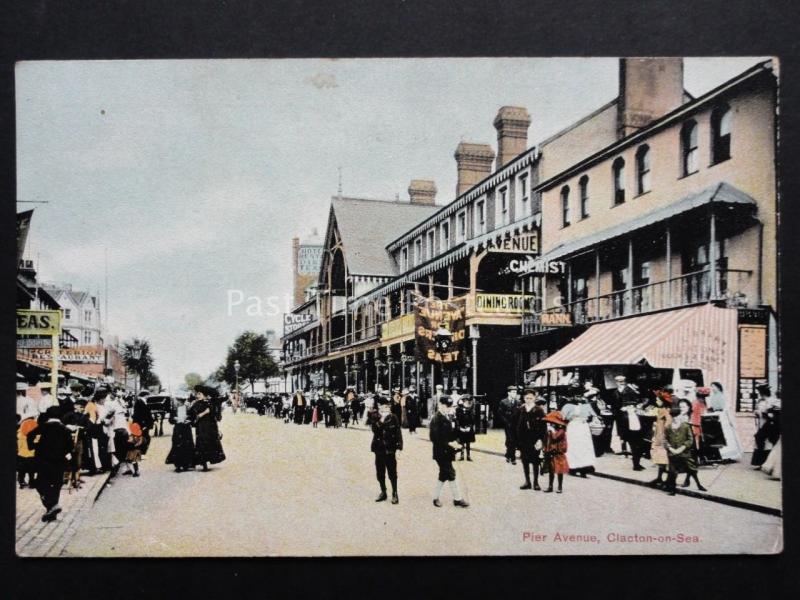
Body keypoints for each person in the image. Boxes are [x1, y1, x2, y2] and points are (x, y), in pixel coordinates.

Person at [28, 406, 72, 522]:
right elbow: (70, 448)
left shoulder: (42, 428)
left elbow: (29, 436)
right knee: (56, 485)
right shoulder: (65, 430)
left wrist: (34, 446)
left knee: (40, 484)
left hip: (43, 462)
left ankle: (51, 506)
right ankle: (52, 510)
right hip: (59, 462)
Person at [429, 396, 469, 508]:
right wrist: (450, 443)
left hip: (447, 452)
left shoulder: (448, 417)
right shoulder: (436, 419)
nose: (449, 408)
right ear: (441, 405)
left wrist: (457, 439)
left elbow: (451, 433)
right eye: (447, 406)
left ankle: (435, 497)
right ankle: (457, 499)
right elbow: (434, 438)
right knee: (451, 473)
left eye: (450, 406)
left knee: (443, 475)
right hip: (440, 452)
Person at [664, 400, 707, 494]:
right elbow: (665, 440)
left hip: (685, 452)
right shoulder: (668, 427)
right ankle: (672, 489)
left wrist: (682, 448)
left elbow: (690, 440)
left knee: (692, 469)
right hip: (672, 453)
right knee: (673, 471)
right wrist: (670, 448)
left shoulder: (685, 426)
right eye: (673, 416)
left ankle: (699, 485)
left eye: (677, 416)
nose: (675, 418)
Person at [370, 396, 403, 504]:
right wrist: (381, 419)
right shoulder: (375, 416)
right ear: (379, 407)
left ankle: (395, 493)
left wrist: (399, 448)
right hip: (379, 448)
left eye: (388, 406)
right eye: (384, 406)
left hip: (390, 449)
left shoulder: (394, 417)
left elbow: (398, 433)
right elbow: (375, 430)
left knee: (392, 472)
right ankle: (383, 492)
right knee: (380, 472)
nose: (387, 408)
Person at [610, 375, 645, 471]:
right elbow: (614, 407)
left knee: (636, 442)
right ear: (616, 382)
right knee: (630, 442)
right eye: (618, 381)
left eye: (622, 381)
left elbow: (637, 402)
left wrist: (631, 407)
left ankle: (636, 463)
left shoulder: (630, 391)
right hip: (622, 421)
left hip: (632, 418)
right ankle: (636, 463)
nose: (621, 383)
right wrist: (618, 410)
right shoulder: (615, 393)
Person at [562, 387, 597, 478]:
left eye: (581, 395)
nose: (579, 398)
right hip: (573, 426)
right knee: (573, 446)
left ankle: (585, 467)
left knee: (585, 446)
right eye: (577, 396)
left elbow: (593, 415)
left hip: (583, 426)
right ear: (572, 396)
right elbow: (562, 417)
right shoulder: (568, 406)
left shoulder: (586, 405)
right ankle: (573, 466)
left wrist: (589, 419)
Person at [516, 389, 546, 490]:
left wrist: (541, 440)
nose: (528, 400)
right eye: (526, 398)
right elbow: (516, 425)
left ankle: (536, 482)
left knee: (535, 461)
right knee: (525, 461)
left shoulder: (539, 410)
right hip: (523, 440)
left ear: (534, 398)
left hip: (535, 439)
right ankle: (527, 481)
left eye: (530, 398)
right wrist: (517, 441)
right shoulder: (520, 409)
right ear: (524, 398)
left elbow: (543, 427)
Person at [706, 381, 743, 461]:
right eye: (711, 387)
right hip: (715, 416)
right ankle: (720, 454)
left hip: (722, 416)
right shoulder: (713, 396)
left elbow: (723, 407)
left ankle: (729, 455)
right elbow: (712, 406)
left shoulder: (721, 395)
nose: (712, 388)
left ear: (718, 387)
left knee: (726, 435)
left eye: (713, 387)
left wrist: (717, 410)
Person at [191, 385, 226, 470]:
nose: (198, 395)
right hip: (201, 426)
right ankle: (203, 462)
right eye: (197, 394)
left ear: (204, 395)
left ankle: (209, 459)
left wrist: (217, 429)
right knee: (201, 442)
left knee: (210, 442)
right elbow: (192, 415)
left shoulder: (209, 403)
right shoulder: (195, 404)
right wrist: (202, 414)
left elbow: (214, 414)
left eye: (200, 394)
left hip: (210, 426)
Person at [648, 390, 673, 488]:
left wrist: (664, 431)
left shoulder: (664, 410)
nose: (656, 401)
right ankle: (660, 478)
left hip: (661, 436)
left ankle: (663, 479)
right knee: (661, 458)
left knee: (662, 458)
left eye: (658, 400)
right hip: (659, 434)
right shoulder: (661, 410)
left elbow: (669, 421)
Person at [752, 384, 780, 468]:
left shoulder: (772, 401)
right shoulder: (760, 401)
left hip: (770, 424)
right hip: (761, 423)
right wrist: (757, 412)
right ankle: (760, 462)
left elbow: (773, 413)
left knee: (766, 441)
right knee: (760, 441)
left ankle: (767, 463)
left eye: (760, 393)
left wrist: (765, 413)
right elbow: (758, 410)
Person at [542, 411, 569, 493]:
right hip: (551, 452)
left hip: (558, 453)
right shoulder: (550, 430)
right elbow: (547, 441)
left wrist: (552, 431)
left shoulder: (561, 430)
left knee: (559, 471)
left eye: (551, 422)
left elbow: (555, 438)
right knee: (551, 470)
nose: (550, 424)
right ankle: (550, 486)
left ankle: (560, 487)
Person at [166, 396, 196, 472]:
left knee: (187, 445)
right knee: (177, 444)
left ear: (182, 401)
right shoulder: (174, 409)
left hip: (186, 429)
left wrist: (188, 420)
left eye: (178, 401)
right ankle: (178, 465)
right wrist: (174, 419)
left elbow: (193, 418)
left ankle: (186, 464)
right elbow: (170, 420)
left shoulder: (188, 409)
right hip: (178, 428)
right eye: (177, 401)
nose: (177, 402)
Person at [498, 385, 520, 465]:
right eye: (513, 392)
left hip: (516, 424)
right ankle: (511, 456)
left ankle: (510, 455)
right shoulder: (503, 402)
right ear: (509, 393)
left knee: (514, 440)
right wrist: (506, 422)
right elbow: (500, 413)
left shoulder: (518, 402)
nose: (515, 394)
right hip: (508, 424)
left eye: (515, 392)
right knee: (509, 440)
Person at [17, 414, 38, 489]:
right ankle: (31, 483)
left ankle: (21, 481)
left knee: (21, 470)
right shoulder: (33, 429)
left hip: (21, 454)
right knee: (31, 470)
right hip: (31, 455)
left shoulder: (19, 432)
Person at [455, 394, 476, 461]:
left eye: (468, 401)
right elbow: (457, 420)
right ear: (463, 401)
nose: (466, 403)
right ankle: (462, 455)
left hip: (468, 428)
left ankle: (468, 456)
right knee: (461, 442)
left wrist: (469, 427)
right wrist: (459, 427)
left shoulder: (470, 410)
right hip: (461, 428)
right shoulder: (458, 410)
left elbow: (473, 420)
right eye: (465, 401)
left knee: (468, 443)